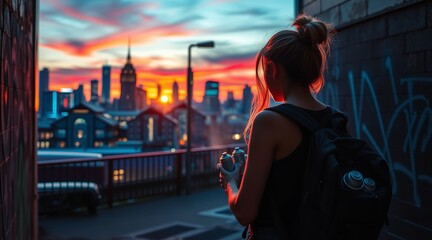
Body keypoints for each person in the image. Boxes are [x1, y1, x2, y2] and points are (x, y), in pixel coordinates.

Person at [218, 14, 335, 239]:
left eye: (264, 70)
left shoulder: (269, 122)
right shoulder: (337, 119)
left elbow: (244, 212)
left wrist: (230, 183)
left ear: (273, 69)